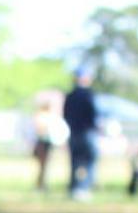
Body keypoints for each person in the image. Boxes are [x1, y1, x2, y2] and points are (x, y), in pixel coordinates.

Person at [62, 69, 99, 200]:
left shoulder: (70, 95)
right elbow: (93, 114)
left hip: (74, 132)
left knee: (74, 161)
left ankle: (73, 188)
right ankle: (84, 187)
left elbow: (65, 114)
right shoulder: (88, 94)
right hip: (86, 133)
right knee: (89, 160)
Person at [30, 95, 59, 190]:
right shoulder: (41, 116)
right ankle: (40, 185)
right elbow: (40, 129)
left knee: (45, 165)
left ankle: (42, 184)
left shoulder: (47, 115)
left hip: (47, 142)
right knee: (43, 165)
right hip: (43, 142)